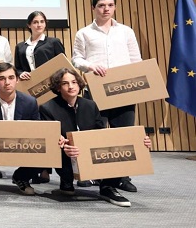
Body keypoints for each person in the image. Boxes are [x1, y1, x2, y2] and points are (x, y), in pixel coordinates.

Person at [39, 68, 152, 207]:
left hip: (90, 152)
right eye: (65, 83)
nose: (71, 86)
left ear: (79, 84)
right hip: (66, 156)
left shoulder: (90, 105)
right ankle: (66, 180)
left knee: (117, 148)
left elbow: (101, 134)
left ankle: (108, 187)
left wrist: (139, 142)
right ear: (58, 87)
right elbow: (49, 139)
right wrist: (63, 146)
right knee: (61, 154)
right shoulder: (47, 108)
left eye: (74, 82)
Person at [72, 0, 142, 193]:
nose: (106, 9)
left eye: (110, 5)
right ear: (93, 8)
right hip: (96, 89)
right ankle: (93, 174)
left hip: (124, 89)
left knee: (123, 134)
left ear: (115, 7)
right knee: (95, 133)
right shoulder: (84, 33)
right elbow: (76, 58)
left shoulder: (126, 31)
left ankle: (122, 177)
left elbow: (135, 59)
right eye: (101, 5)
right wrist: (91, 66)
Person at [0, 62, 41, 195]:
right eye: (2, 79)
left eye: (11, 78)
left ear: (17, 79)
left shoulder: (30, 102)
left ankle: (21, 177)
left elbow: (38, 129)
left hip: (21, 144)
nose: (7, 82)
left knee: (46, 148)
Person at [14, 10, 65, 183]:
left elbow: (63, 65)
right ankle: (38, 169)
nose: (39, 25)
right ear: (29, 25)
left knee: (52, 129)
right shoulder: (21, 46)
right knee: (36, 131)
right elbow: (17, 68)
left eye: (42, 21)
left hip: (51, 92)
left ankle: (52, 170)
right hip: (31, 94)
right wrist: (20, 73)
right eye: (35, 22)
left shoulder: (53, 42)